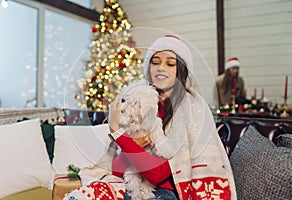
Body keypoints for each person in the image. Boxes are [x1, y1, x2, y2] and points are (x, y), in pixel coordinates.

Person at [65, 35, 236, 200]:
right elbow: (117, 170)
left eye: (170, 64)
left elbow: (157, 174)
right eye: (155, 62)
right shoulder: (137, 104)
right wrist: (130, 144)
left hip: (164, 193)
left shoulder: (190, 111)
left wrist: (117, 132)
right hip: (131, 187)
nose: (161, 67)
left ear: (181, 71)